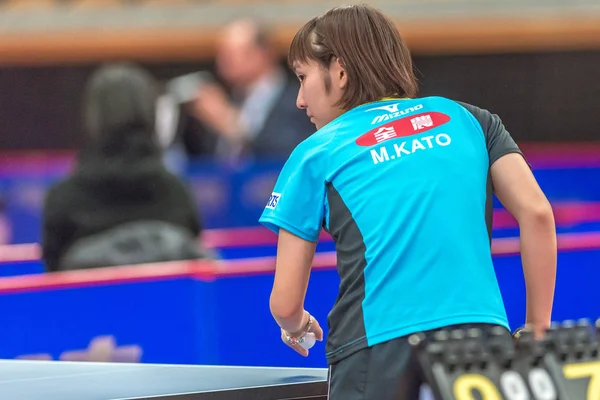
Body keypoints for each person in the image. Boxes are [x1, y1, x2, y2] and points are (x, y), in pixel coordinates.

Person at [258, 4, 557, 399]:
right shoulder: (471, 119)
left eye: (302, 77)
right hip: (483, 345)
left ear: (340, 72)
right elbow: (537, 214)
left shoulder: (314, 153)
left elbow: (284, 301)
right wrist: (536, 330)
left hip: (376, 349)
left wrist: (296, 324)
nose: (298, 99)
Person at [42, 62, 205, 272]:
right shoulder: (178, 194)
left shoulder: (62, 201)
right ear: (150, 114)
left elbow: (52, 287)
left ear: (93, 117)